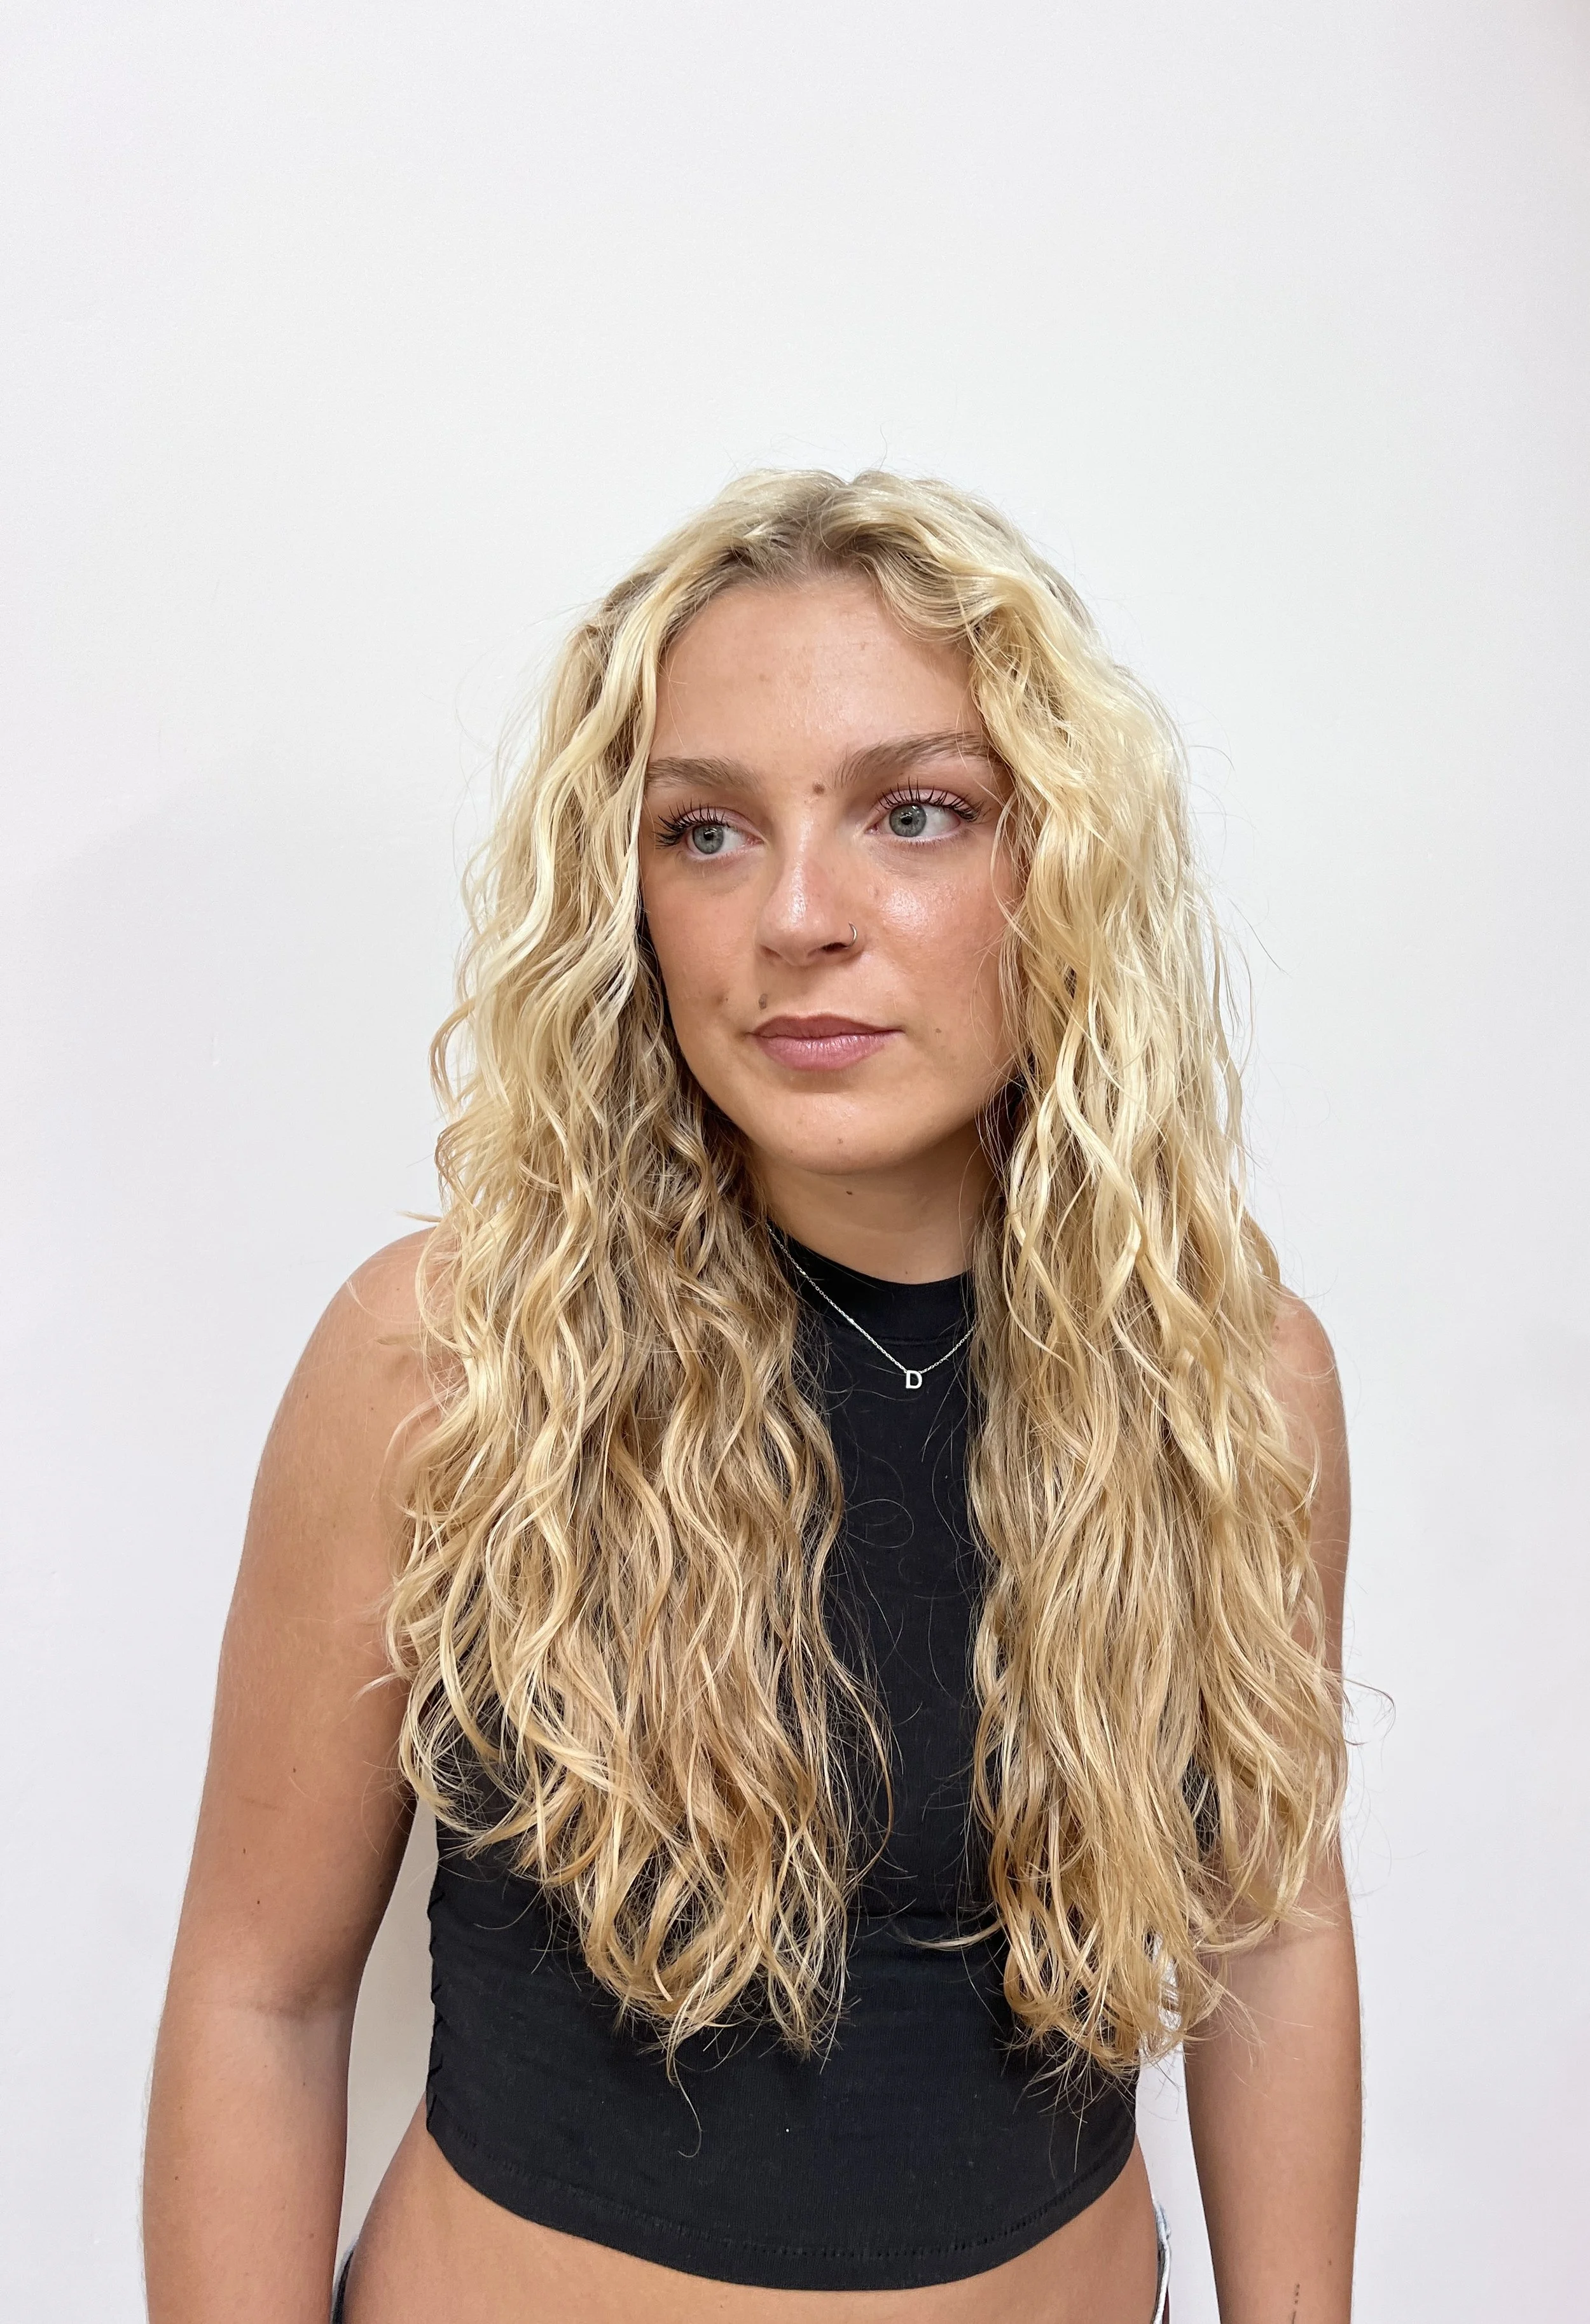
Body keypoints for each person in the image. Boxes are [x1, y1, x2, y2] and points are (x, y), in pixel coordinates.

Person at [142, 470, 1360, 2324]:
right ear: (624, 899)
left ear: (1059, 865)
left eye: (916, 813)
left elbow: (1272, 1921)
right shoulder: (447, 1365)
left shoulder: (1229, 1381)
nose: (799, 913)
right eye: (704, 833)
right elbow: (261, 1991)